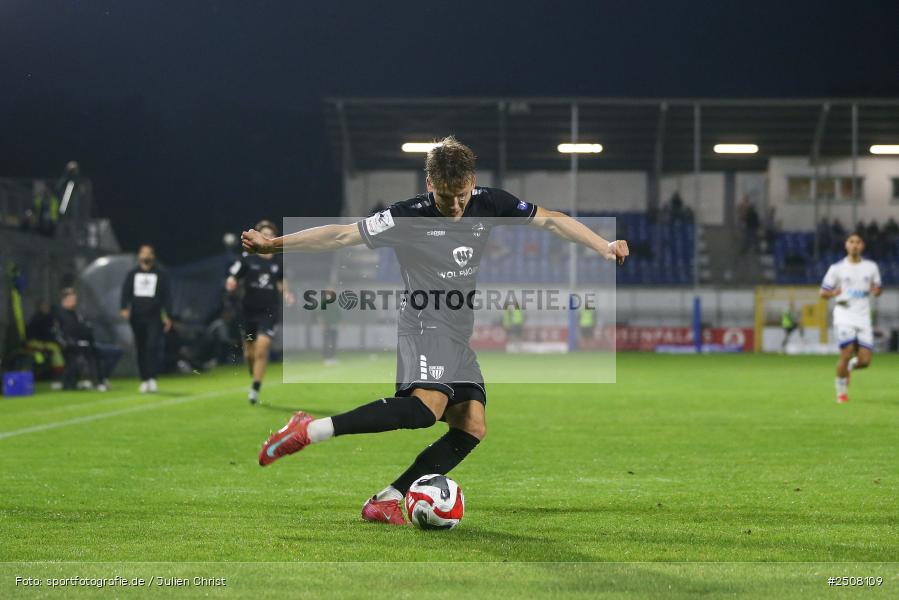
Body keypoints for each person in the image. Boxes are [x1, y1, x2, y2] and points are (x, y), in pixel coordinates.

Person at [241, 136, 629, 525]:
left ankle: (388, 498)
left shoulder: (489, 202)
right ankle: (311, 429)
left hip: (458, 331)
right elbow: (341, 235)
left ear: (472, 182)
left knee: (471, 425)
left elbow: (550, 220)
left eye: (462, 194)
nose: (456, 205)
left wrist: (602, 245)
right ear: (429, 185)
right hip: (424, 322)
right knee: (425, 410)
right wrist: (273, 245)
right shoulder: (406, 216)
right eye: (446, 196)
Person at [226, 220, 295, 404]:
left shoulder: (278, 260)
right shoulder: (248, 256)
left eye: (271, 235)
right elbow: (235, 274)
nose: (268, 237)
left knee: (262, 349)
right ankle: (253, 371)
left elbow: (281, 281)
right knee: (249, 352)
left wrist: (286, 293)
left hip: (269, 311)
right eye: (265, 234)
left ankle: (255, 389)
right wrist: (231, 281)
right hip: (249, 311)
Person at [819, 233, 882, 403]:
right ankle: (841, 392)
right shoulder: (836, 268)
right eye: (851, 242)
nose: (855, 245)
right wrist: (833, 293)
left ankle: (850, 366)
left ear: (863, 246)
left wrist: (876, 291)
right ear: (846, 245)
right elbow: (822, 292)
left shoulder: (871, 267)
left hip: (863, 317)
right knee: (846, 352)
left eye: (858, 242)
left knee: (865, 361)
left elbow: (878, 288)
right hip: (844, 314)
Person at [120, 244, 172, 393]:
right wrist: (123, 308)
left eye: (149, 253)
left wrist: (168, 315)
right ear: (139, 255)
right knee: (141, 348)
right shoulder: (132, 274)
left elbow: (167, 296)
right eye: (143, 252)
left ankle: (152, 378)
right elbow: (125, 291)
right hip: (137, 316)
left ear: (153, 256)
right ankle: (144, 379)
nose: (146, 255)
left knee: (152, 346)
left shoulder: (160, 274)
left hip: (154, 317)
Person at [55, 288, 109, 391]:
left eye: (75, 299)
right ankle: (70, 382)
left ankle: (99, 380)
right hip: (69, 345)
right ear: (64, 300)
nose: (74, 302)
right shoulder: (59, 314)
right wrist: (70, 342)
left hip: (82, 343)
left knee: (95, 352)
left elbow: (83, 328)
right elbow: (64, 331)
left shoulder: (76, 314)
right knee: (78, 359)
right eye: (71, 299)